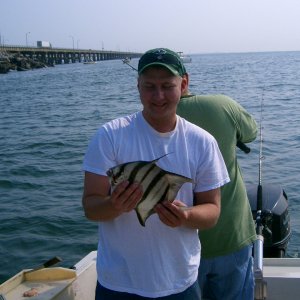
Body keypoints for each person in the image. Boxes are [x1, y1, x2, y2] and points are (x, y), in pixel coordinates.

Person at [82, 48, 230, 300]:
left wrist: (186, 215)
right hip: (118, 284)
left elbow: (212, 212)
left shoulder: (202, 142)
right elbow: (91, 207)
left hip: (180, 283)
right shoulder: (109, 136)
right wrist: (115, 205)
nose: (158, 95)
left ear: (184, 84)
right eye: (149, 86)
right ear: (138, 86)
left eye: (167, 85)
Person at [177, 74, 258, 300]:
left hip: (180, 245)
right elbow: (251, 132)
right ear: (185, 80)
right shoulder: (223, 104)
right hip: (231, 233)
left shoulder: (154, 118)